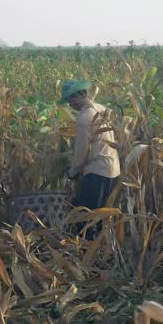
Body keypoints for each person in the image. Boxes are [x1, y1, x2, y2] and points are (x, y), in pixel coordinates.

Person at [58, 80, 120, 239]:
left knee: (85, 216)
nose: (70, 106)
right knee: (101, 215)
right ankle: (101, 252)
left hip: (97, 172)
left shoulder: (85, 117)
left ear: (76, 97)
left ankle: (86, 253)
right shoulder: (101, 108)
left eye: (70, 101)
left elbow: (82, 151)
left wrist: (72, 172)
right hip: (113, 169)